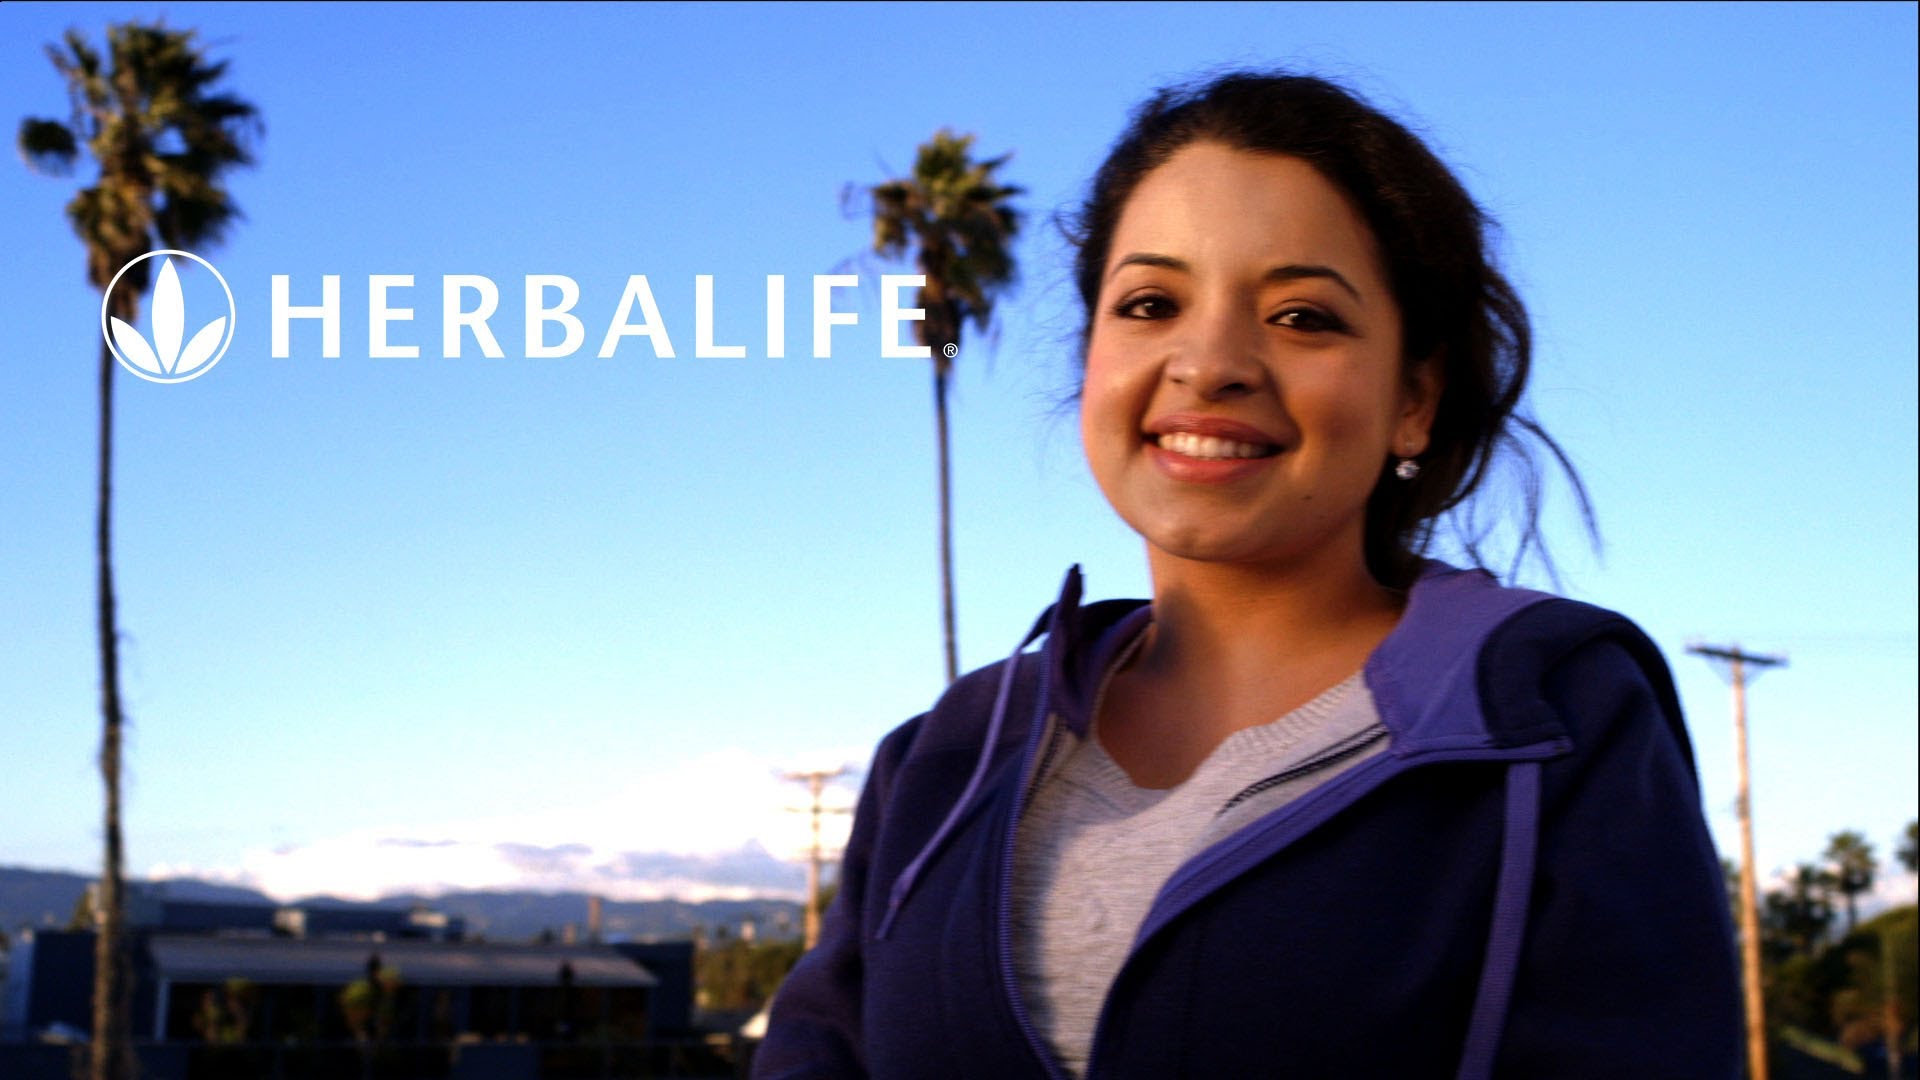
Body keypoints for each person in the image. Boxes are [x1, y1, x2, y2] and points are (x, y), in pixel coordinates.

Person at [755, 70, 1741, 1079]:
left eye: (1303, 316)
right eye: (1150, 303)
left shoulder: (1552, 717)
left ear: (1415, 397)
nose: (1209, 360)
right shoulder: (946, 758)